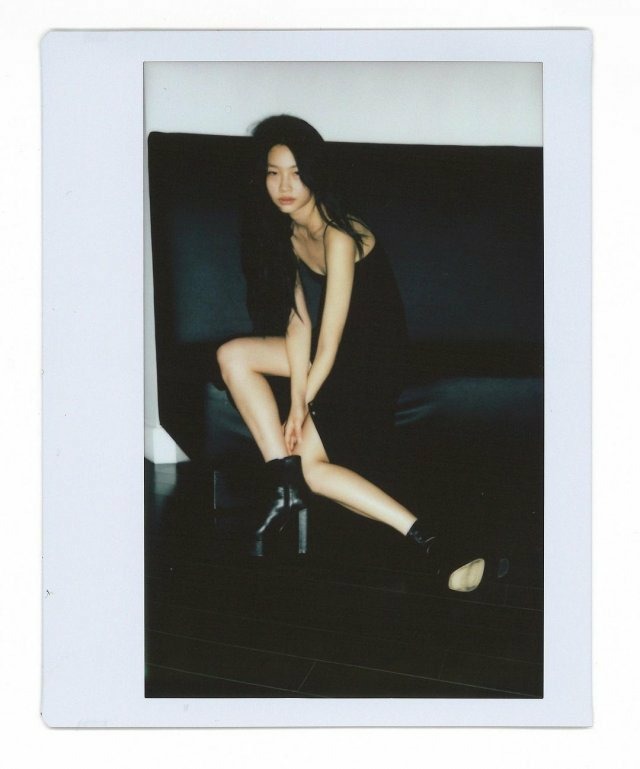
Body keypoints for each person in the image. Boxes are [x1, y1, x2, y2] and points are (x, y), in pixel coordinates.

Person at [217, 115, 507, 592]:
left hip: (372, 361)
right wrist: (296, 402)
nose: (284, 186)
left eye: (296, 173)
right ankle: (284, 481)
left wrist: (302, 404)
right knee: (234, 356)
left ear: (314, 174)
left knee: (315, 471)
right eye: (273, 173)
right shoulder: (287, 232)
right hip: (334, 353)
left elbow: (331, 340)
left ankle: (431, 542)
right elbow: (299, 324)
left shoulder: (339, 234)